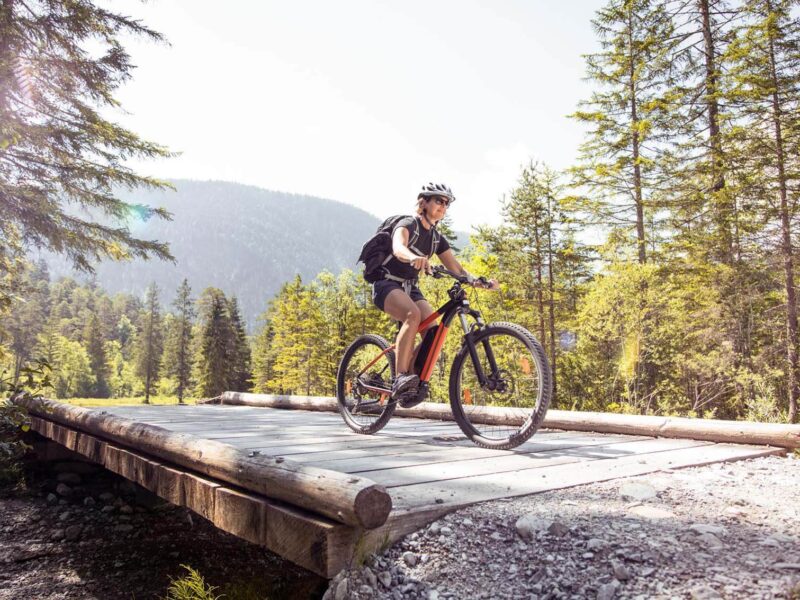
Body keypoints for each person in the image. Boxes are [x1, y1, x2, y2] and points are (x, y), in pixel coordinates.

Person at [372, 182, 498, 404]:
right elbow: (398, 247)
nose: (443, 206)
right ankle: (400, 377)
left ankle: (411, 377)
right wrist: (412, 257)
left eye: (446, 203)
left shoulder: (437, 238)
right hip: (386, 283)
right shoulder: (408, 223)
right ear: (424, 202)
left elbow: (456, 269)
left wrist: (479, 282)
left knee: (433, 331)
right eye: (439, 200)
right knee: (413, 314)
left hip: (411, 287)